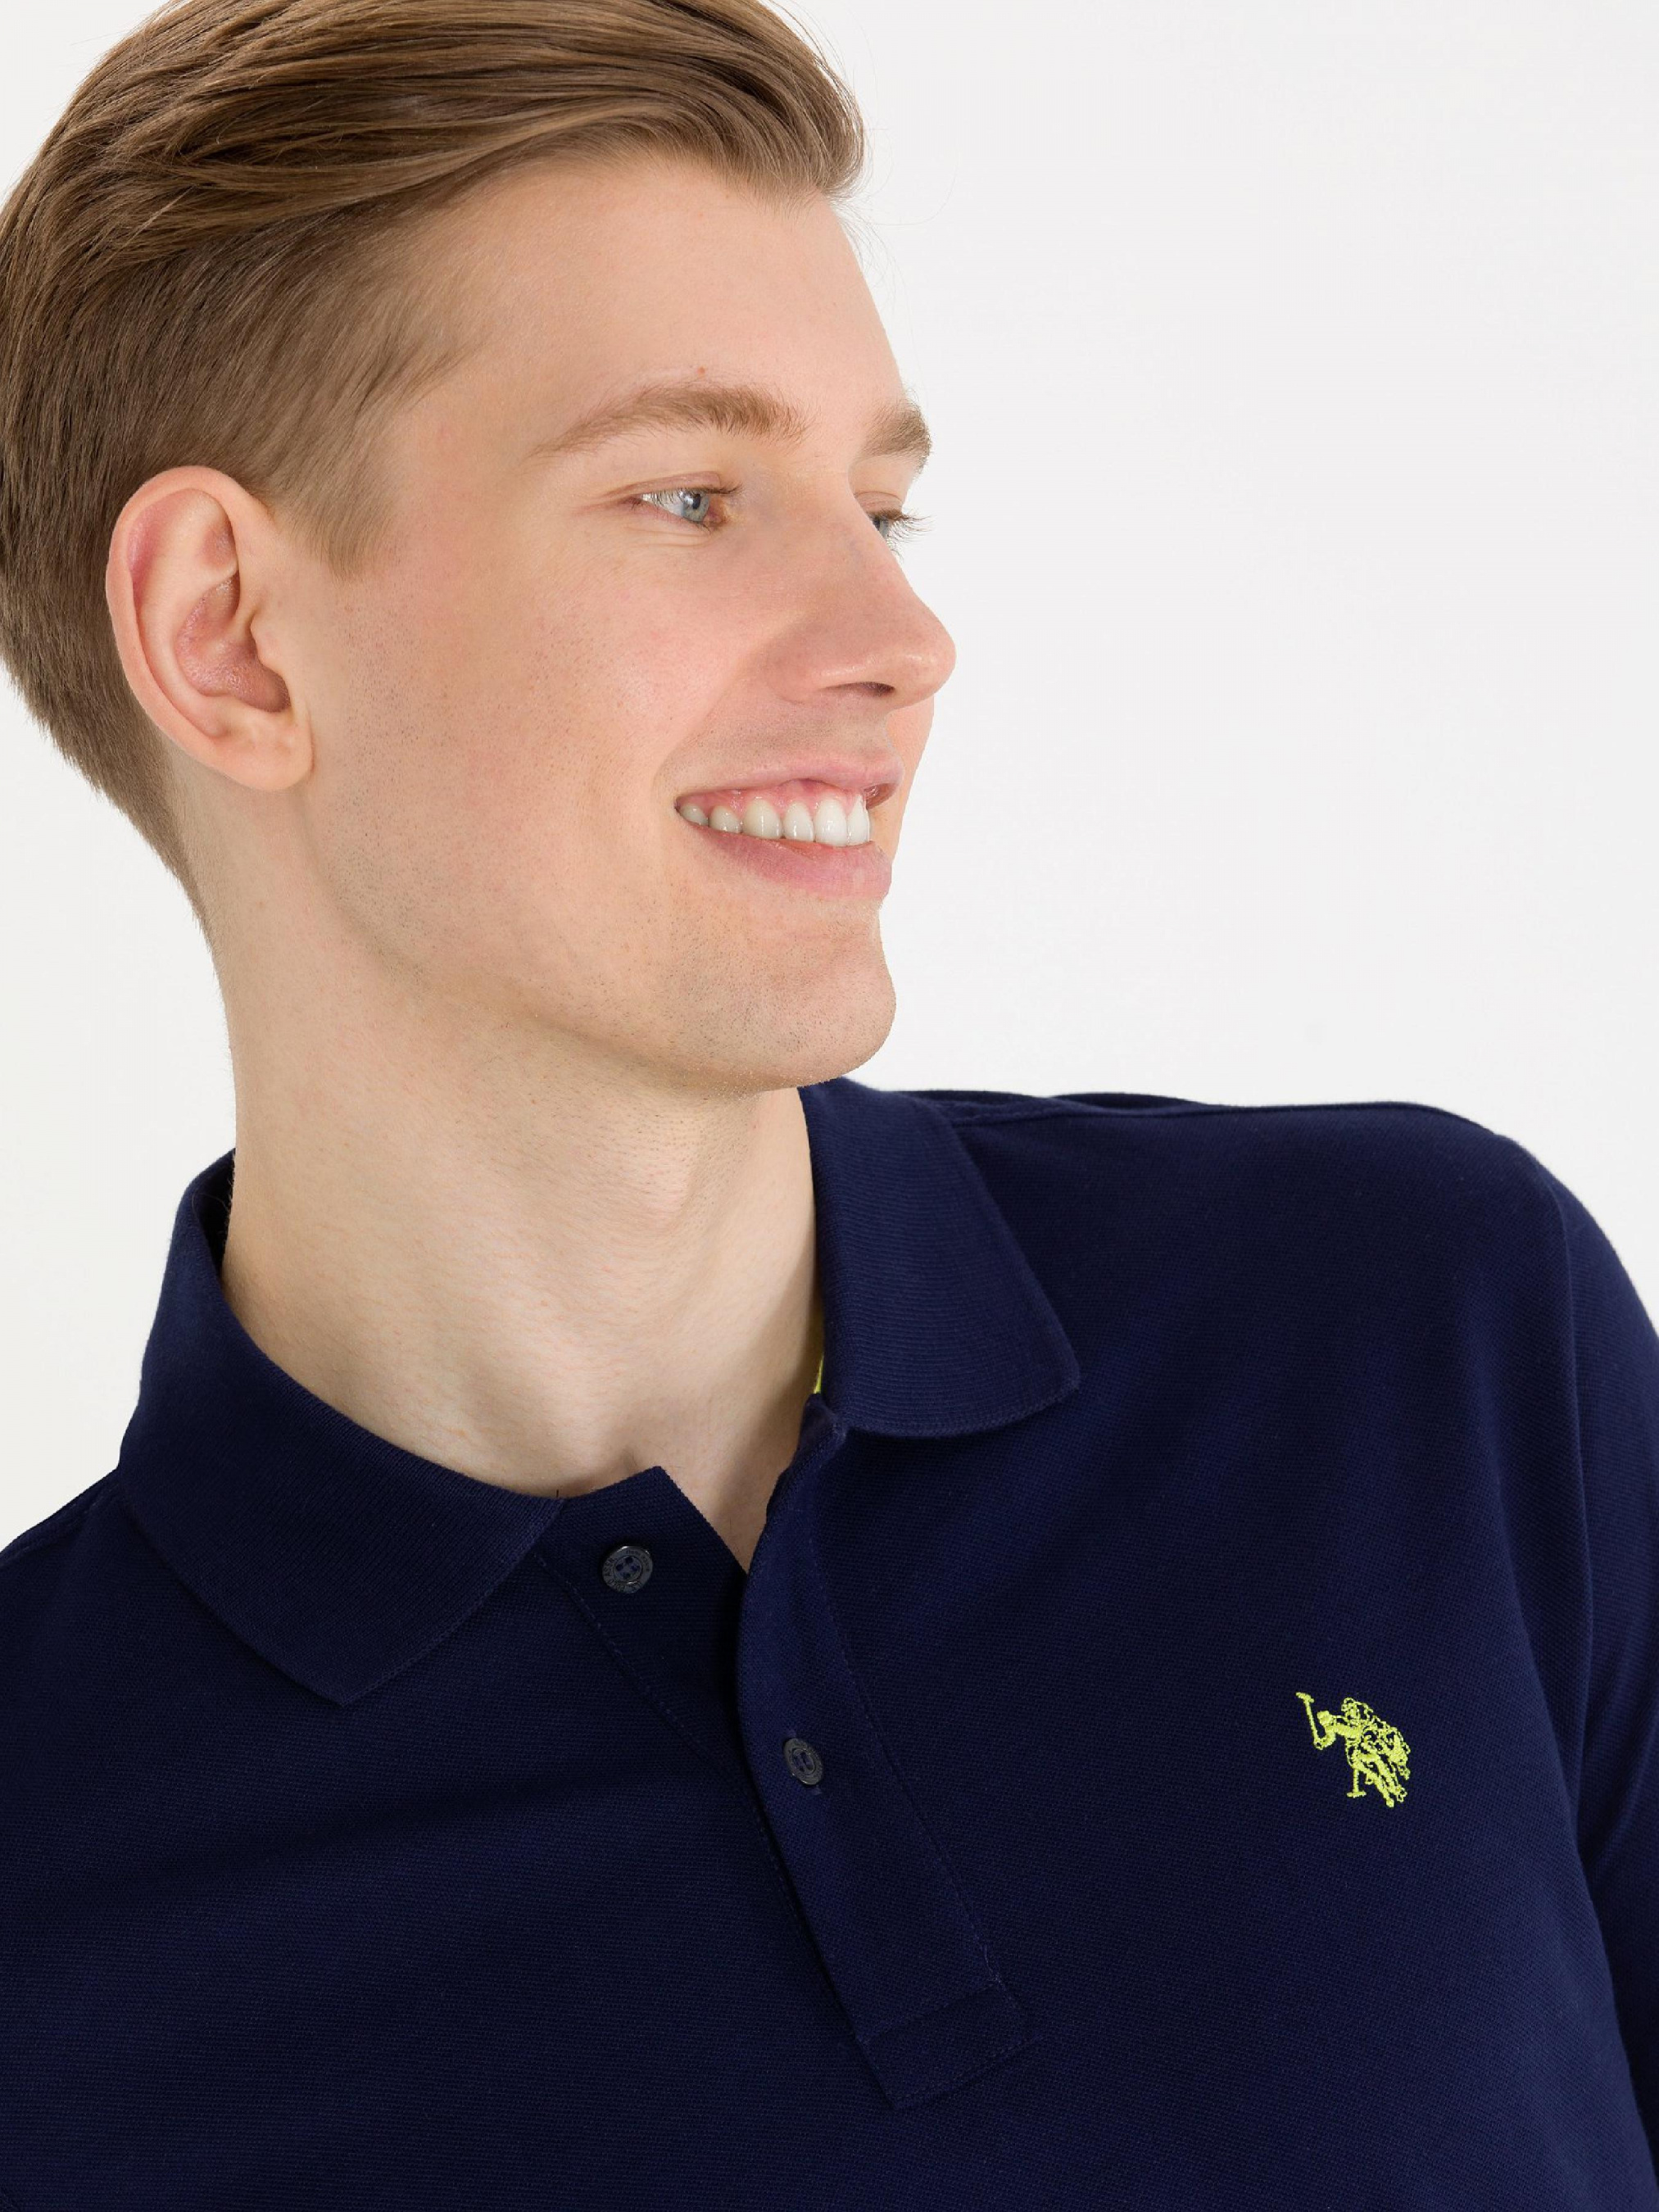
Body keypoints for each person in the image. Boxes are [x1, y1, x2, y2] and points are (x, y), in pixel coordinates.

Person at [1, 1, 1654, 2204]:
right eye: (690, 494)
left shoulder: (1414, 1340)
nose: (899, 634)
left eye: (881, 503)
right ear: (229, 633)